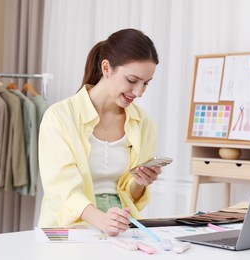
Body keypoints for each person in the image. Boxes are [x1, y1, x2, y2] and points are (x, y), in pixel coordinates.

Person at [38, 28, 162, 236]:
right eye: (132, 80)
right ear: (106, 68)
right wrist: (101, 220)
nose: (139, 92)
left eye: (145, 83)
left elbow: (130, 196)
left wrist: (141, 182)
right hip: (66, 229)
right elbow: (61, 189)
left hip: (121, 228)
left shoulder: (143, 123)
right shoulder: (59, 117)